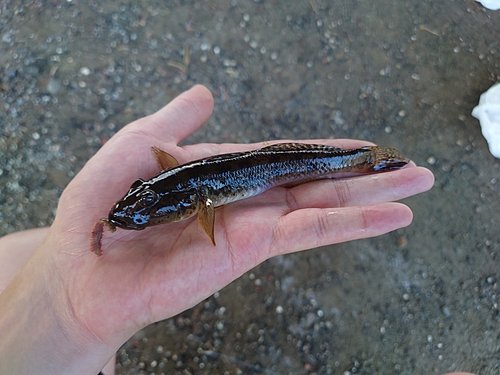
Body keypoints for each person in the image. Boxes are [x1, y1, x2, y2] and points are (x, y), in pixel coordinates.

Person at [0, 85, 470, 375]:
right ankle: (358, 161)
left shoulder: (194, 202)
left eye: (139, 209)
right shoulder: (171, 187)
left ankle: (361, 162)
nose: (127, 215)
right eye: (134, 210)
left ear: (189, 205)